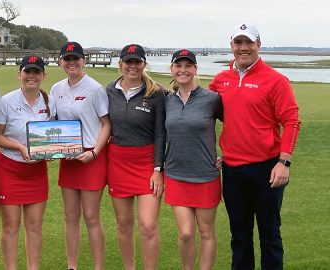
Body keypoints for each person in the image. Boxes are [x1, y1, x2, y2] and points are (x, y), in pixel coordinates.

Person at [208, 23, 301, 270]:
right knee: (239, 235)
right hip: (233, 170)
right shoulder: (221, 80)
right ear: (232, 46)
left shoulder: (275, 80)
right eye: (238, 43)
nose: (243, 48)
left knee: (269, 235)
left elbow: (291, 121)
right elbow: (200, 109)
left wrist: (284, 162)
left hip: (267, 169)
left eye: (249, 42)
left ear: (258, 45)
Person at [50, 41, 111, 270]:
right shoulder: (57, 89)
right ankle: (72, 266)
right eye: (67, 59)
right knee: (70, 216)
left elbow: (106, 124)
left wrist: (95, 152)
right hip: (68, 156)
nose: (71, 63)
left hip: (90, 156)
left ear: (83, 61)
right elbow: (54, 123)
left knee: (92, 217)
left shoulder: (94, 88)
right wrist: (49, 148)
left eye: (76, 58)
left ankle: (98, 267)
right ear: (60, 62)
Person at [106, 44, 165, 270]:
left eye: (137, 62)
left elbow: (161, 133)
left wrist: (158, 170)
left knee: (148, 225)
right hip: (118, 163)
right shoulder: (109, 90)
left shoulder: (156, 93)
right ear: (120, 64)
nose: (132, 66)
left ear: (143, 64)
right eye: (128, 62)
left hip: (147, 165)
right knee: (123, 224)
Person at [0, 55, 55, 270]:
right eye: (27, 72)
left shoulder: (50, 102)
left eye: (36, 72)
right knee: (10, 226)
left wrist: (50, 151)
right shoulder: (7, 101)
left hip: (37, 171)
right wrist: (20, 147)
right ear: (19, 74)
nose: (31, 76)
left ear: (43, 75)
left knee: (35, 225)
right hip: (8, 168)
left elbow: (53, 135)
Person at [164, 49, 223, 270]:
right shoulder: (167, 100)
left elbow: (236, 125)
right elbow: (159, 134)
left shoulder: (212, 99)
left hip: (206, 175)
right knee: (186, 233)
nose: (183, 70)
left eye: (188, 66)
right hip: (176, 174)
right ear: (172, 69)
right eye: (178, 66)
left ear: (195, 70)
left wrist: (228, 154)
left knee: (206, 232)